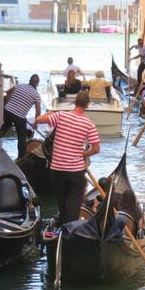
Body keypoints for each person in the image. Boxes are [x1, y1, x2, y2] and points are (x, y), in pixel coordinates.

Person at [35, 92, 100, 226]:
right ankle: (69, 230)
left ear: (75, 102)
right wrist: (83, 154)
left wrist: (49, 113)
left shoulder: (61, 115)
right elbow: (96, 149)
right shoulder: (89, 124)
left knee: (62, 201)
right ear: (87, 105)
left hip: (57, 169)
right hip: (75, 171)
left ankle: (61, 224)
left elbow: (38, 120)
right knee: (73, 203)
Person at [0, 74, 41, 159]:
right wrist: (36, 123)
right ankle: (21, 158)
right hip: (19, 116)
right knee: (21, 137)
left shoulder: (20, 86)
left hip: (7, 111)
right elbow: (38, 112)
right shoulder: (36, 95)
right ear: (37, 84)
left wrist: (9, 103)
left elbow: (8, 92)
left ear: (30, 80)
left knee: (4, 128)